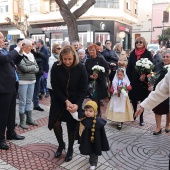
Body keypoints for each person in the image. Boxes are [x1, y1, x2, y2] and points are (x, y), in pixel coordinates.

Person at [48, 45, 88, 162]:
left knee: (71, 126)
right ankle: (61, 144)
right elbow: (54, 85)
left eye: (70, 59)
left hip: (74, 101)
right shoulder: (56, 66)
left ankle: (70, 148)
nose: (67, 62)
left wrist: (77, 104)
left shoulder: (80, 67)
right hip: (59, 100)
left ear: (74, 57)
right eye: (65, 59)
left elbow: (83, 88)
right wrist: (65, 100)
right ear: (61, 58)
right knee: (55, 122)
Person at [0, 32, 25, 150]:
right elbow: (5, 59)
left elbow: (13, 61)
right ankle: (0, 138)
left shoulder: (3, 50)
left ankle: (11, 133)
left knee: (11, 113)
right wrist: (17, 47)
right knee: (2, 115)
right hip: (3, 88)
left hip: (11, 86)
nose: (3, 39)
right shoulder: (3, 53)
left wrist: (20, 52)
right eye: (0, 37)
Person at [70, 101, 109, 170]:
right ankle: (91, 158)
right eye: (86, 110)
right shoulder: (83, 118)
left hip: (95, 140)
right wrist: (71, 110)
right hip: (86, 139)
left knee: (94, 151)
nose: (87, 112)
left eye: (90, 111)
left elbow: (101, 134)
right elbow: (76, 116)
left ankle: (93, 163)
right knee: (88, 149)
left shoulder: (98, 122)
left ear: (95, 112)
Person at [140, 50, 170, 135]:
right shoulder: (157, 66)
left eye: (167, 56)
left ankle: (168, 125)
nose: (165, 58)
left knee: (168, 109)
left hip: (167, 93)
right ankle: (158, 127)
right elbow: (151, 76)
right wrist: (149, 83)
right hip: (159, 90)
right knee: (158, 109)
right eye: (164, 56)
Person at [126, 37, 153, 126]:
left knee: (142, 98)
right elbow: (129, 66)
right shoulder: (132, 53)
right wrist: (128, 79)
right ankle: (134, 113)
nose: (138, 43)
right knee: (133, 98)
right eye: (137, 42)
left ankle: (141, 117)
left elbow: (151, 66)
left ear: (144, 43)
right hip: (134, 79)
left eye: (140, 42)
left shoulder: (147, 53)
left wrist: (145, 75)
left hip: (143, 80)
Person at [17, 39, 39, 129]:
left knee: (29, 101)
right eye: (30, 46)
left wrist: (30, 66)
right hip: (23, 81)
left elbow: (37, 68)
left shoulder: (31, 55)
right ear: (24, 46)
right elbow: (23, 68)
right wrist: (33, 67)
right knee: (22, 101)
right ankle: (22, 121)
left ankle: (29, 119)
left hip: (32, 80)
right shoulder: (20, 55)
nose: (31, 48)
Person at [85, 44, 109, 116]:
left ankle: (98, 113)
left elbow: (106, 70)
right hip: (91, 82)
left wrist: (98, 76)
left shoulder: (100, 59)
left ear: (96, 51)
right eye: (90, 50)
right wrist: (90, 76)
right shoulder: (88, 61)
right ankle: (93, 112)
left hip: (99, 82)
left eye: (93, 50)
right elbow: (85, 71)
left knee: (97, 99)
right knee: (92, 98)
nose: (91, 51)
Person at [31, 39, 46, 111]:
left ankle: (36, 105)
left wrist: (36, 52)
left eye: (34, 43)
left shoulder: (36, 50)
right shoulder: (25, 51)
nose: (33, 45)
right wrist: (38, 60)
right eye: (32, 43)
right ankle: (26, 108)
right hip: (29, 74)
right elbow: (31, 61)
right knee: (29, 91)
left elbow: (44, 56)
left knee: (37, 90)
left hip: (38, 73)